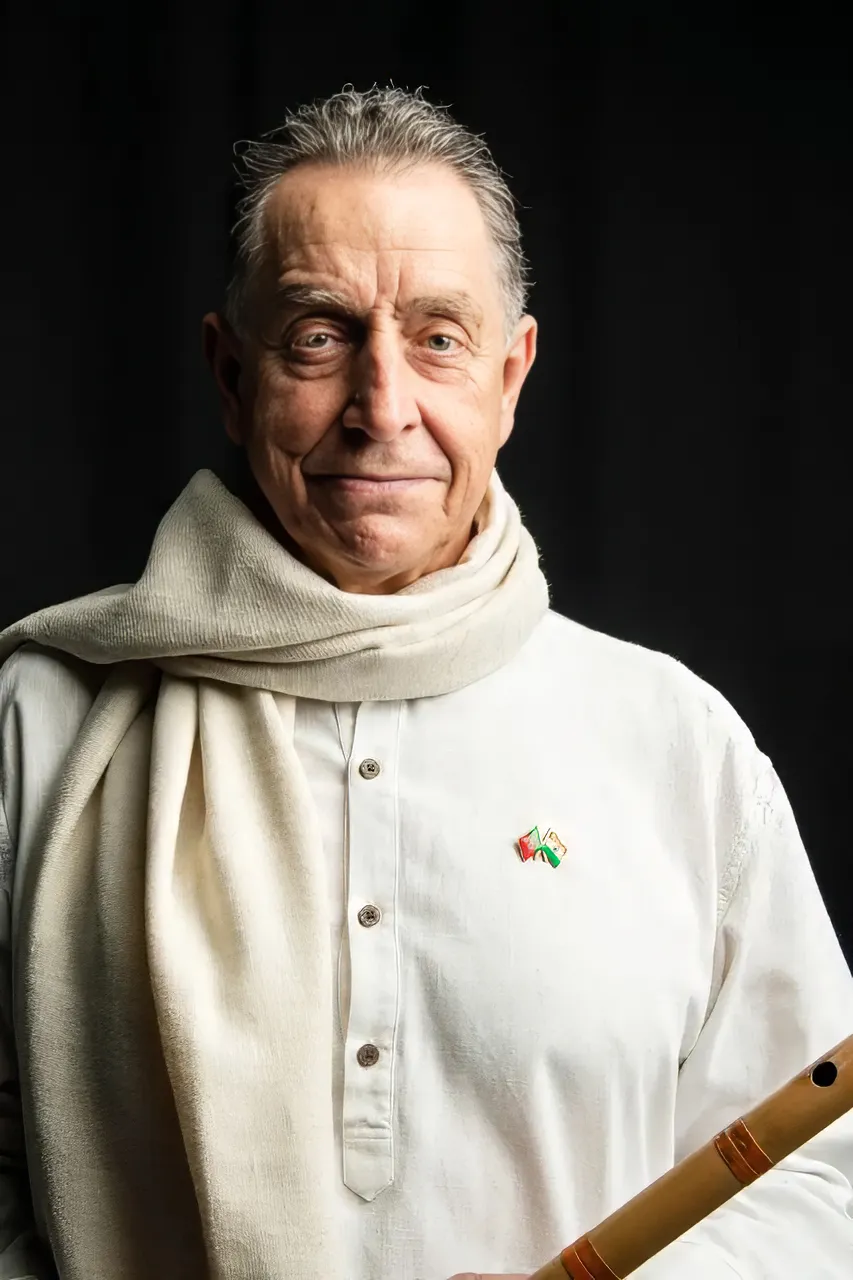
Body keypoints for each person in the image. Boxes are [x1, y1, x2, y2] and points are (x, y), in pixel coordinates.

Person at [0, 85, 851, 1280]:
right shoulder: (45, 718)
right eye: (317, 335)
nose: (381, 407)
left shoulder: (675, 740)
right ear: (230, 373)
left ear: (511, 373)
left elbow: (827, 1179)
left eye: (439, 338)